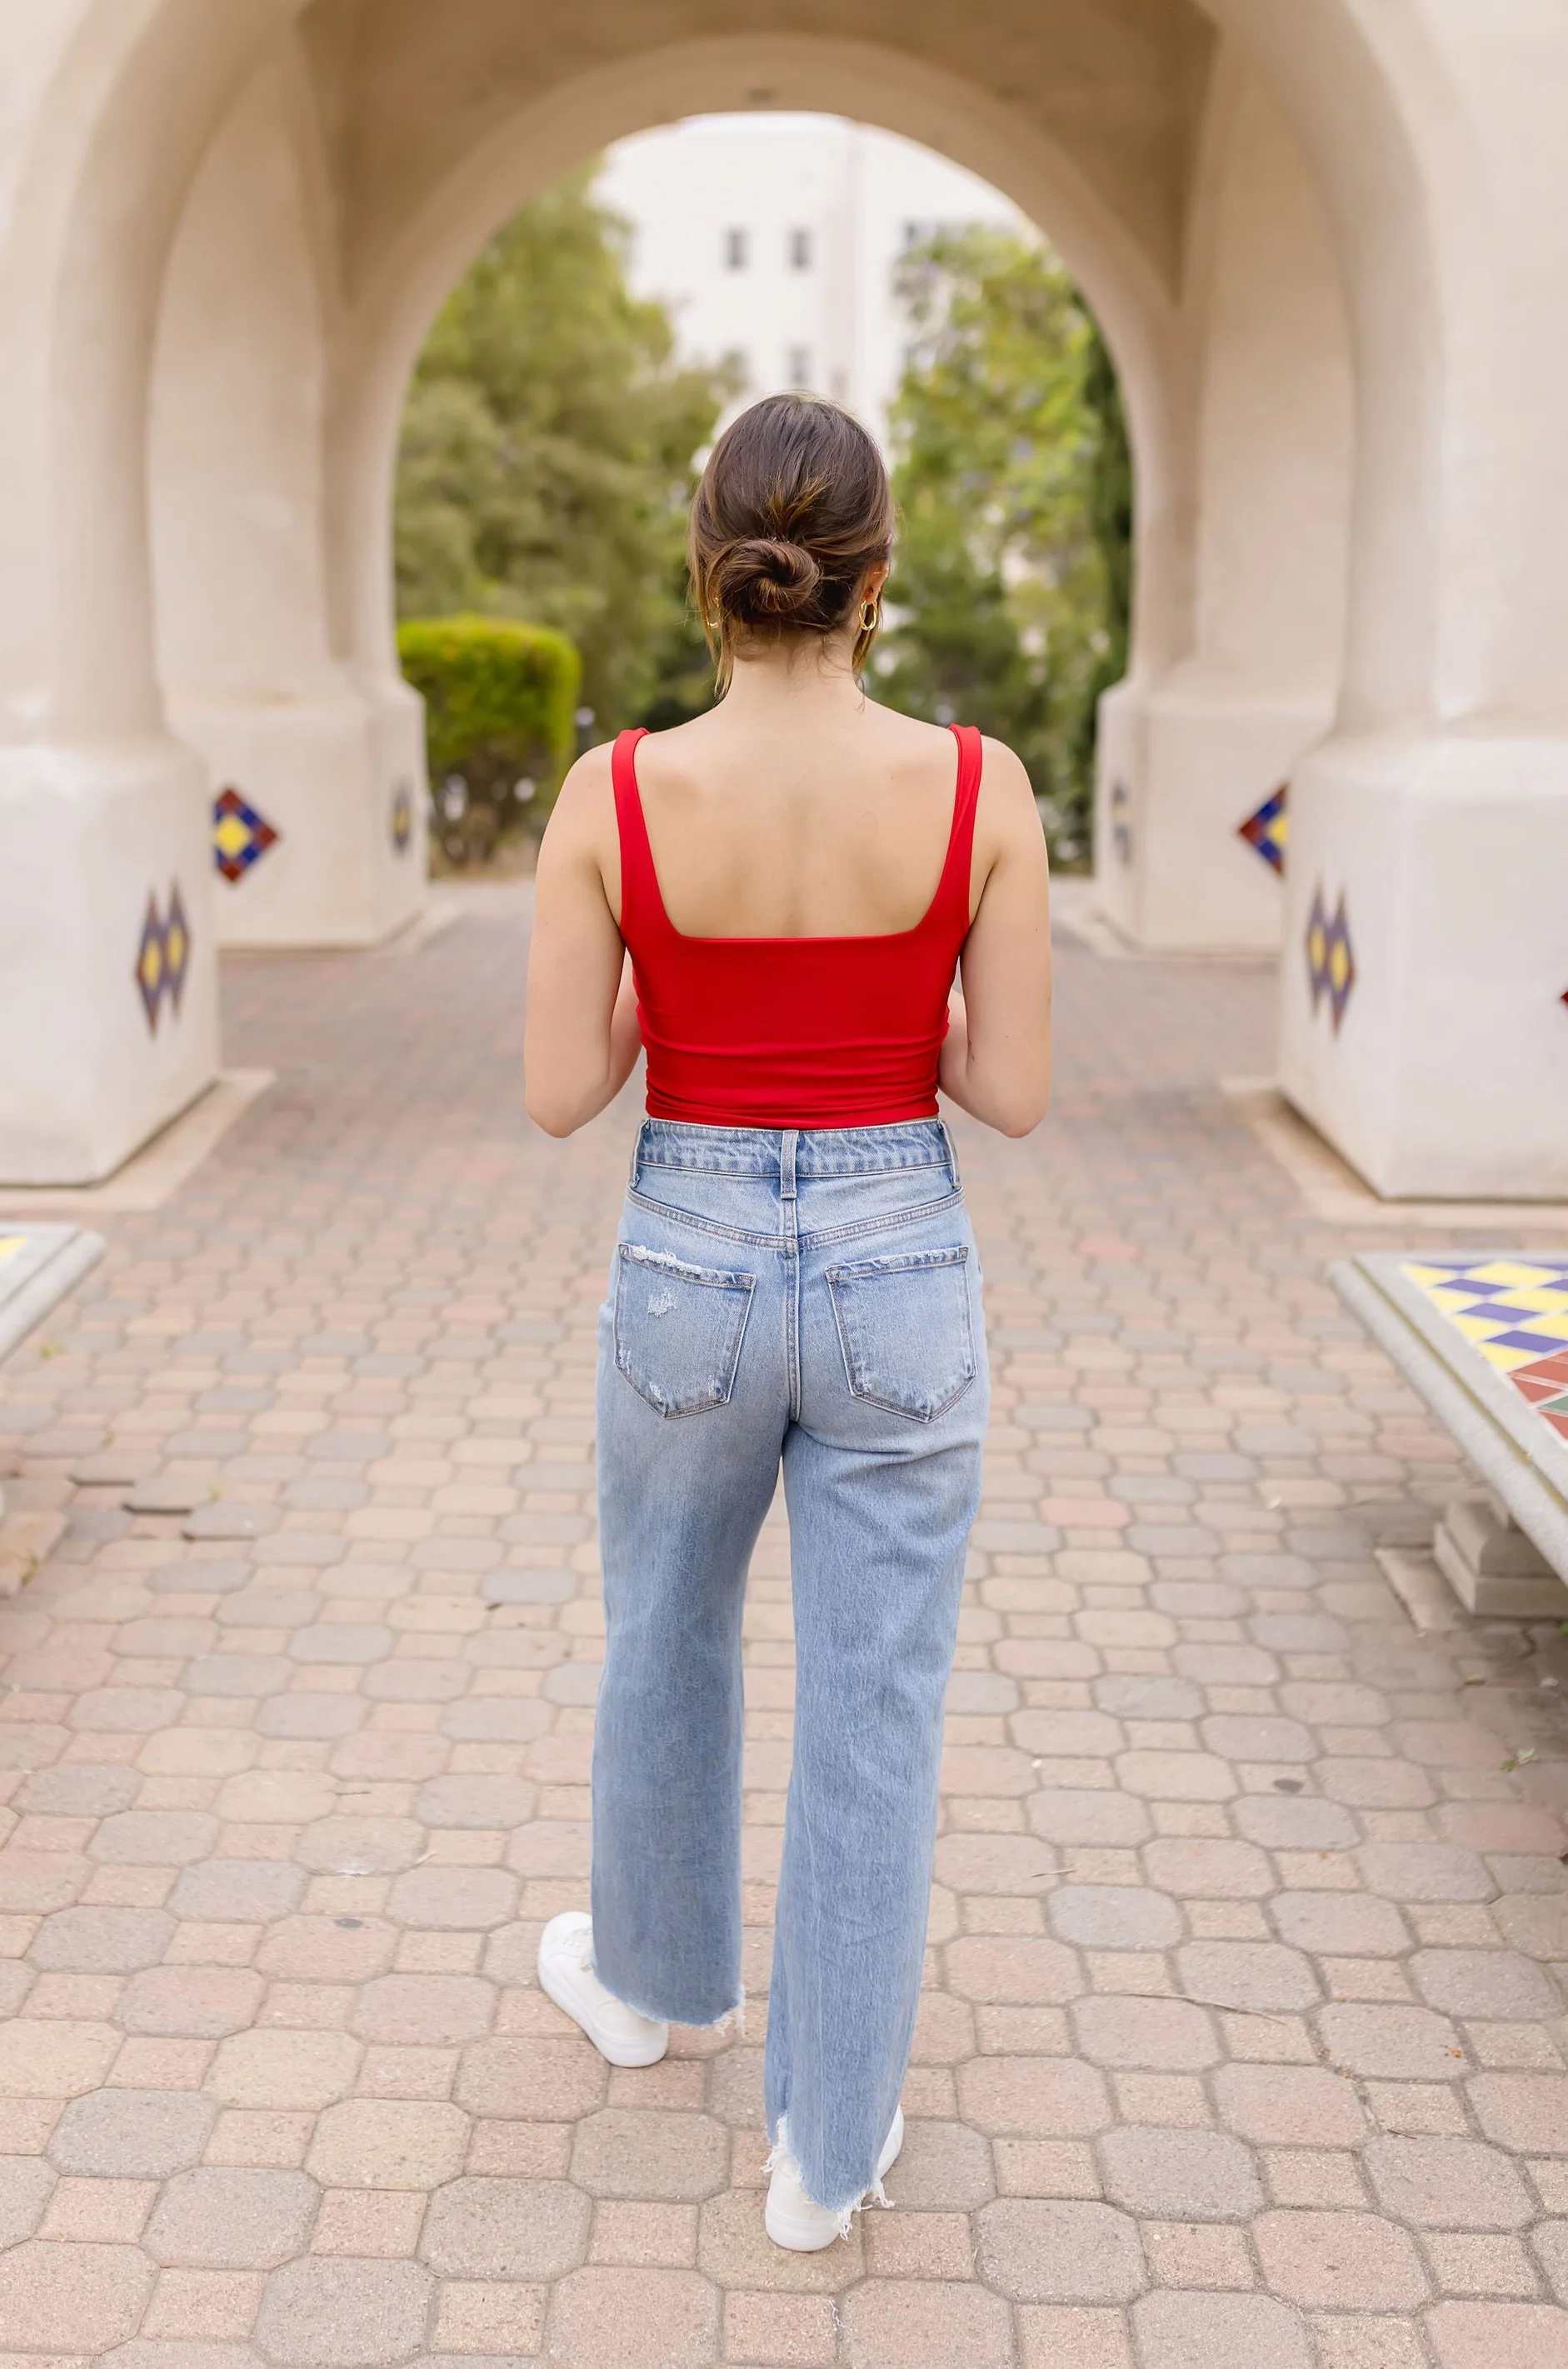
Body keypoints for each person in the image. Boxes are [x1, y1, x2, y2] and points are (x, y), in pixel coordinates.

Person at [522, 392, 1052, 2249]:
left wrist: (676, 986)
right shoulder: (980, 788)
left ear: (710, 569)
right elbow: (1010, 1090)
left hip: (689, 1250)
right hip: (898, 1255)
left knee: (663, 1627)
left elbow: (559, 1091)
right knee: (873, 1699)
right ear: (872, 578)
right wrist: (890, 1004)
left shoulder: (613, 793)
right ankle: (824, 2155)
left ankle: (655, 1988)